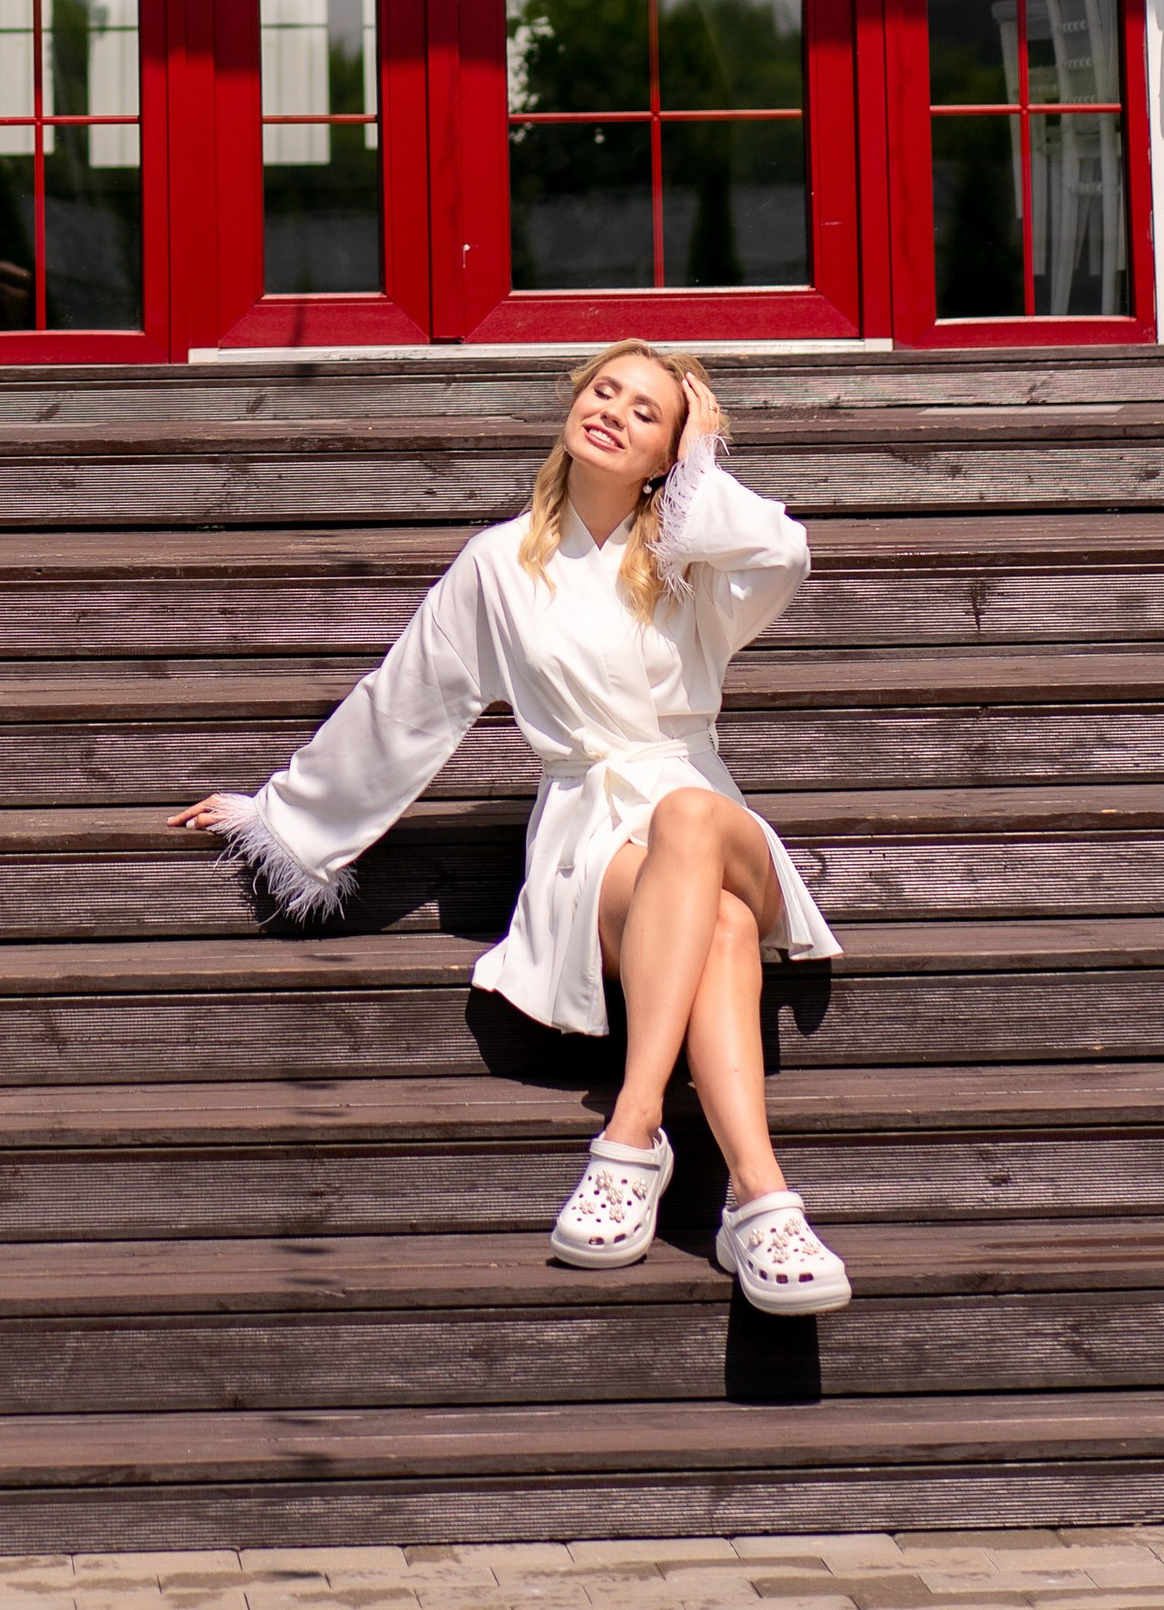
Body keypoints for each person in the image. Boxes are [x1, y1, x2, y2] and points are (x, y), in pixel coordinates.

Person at [168, 340, 853, 1313]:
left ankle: (631, 1129)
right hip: (590, 836)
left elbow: (783, 549)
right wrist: (279, 814)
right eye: (602, 390)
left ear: (672, 453)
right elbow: (405, 701)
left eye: (646, 411)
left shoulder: (692, 559)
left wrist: (700, 452)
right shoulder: (498, 563)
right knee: (725, 931)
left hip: (698, 800)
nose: (610, 410)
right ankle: (762, 1199)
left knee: (693, 816)